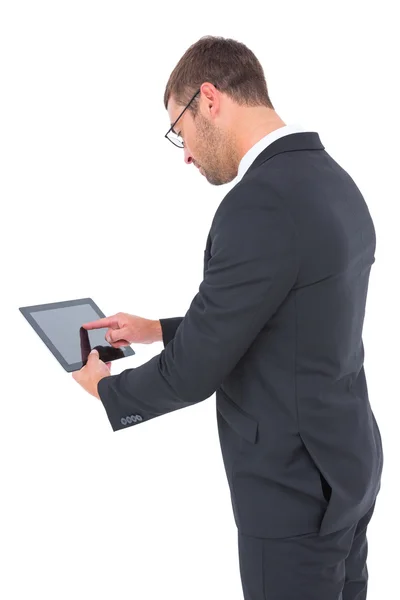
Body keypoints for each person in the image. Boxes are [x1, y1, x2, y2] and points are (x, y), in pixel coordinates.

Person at [72, 36, 383, 600]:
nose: (186, 154)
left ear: (208, 99)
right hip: (348, 465)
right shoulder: (333, 181)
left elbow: (193, 373)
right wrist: (155, 329)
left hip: (290, 491)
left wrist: (108, 391)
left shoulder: (258, 203)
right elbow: (279, 316)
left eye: (180, 132)